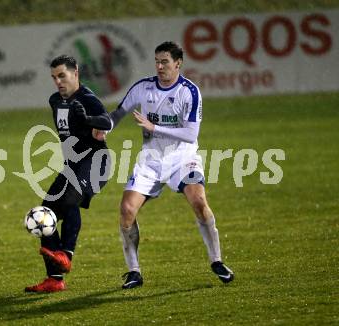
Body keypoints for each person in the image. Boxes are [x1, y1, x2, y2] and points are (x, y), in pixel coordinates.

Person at [109, 41, 234, 289]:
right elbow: (118, 113)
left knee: (199, 202)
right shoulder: (143, 88)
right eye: (157, 61)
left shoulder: (190, 92)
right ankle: (134, 271)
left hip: (183, 157)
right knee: (126, 211)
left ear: (178, 63)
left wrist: (154, 127)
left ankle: (216, 261)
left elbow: (190, 135)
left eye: (165, 61)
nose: (159, 66)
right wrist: (104, 127)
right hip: (151, 160)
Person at [25, 55, 111, 293]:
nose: (58, 81)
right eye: (54, 77)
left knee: (71, 197)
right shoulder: (55, 100)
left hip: (96, 163)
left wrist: (88, 119)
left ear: (76, 74)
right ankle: (54, 279)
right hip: (72, 166)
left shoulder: (86, 98)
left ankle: (66, 254)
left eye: (62, 75)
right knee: (45, 213)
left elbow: (107, 121)